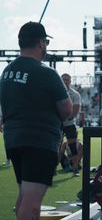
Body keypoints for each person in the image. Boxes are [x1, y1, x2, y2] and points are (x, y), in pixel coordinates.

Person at [0, 21, 72, 220]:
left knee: (24, 194)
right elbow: (66, 110)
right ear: (41, 43)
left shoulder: (7, 72)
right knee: (32, 202)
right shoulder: (46, 72)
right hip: (39, 140)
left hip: (14, 140)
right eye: (46, 41)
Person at [61, 73, 81, 176]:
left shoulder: (75, 94)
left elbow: (76, 108)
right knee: (56, 147)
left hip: (69, 124)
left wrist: (69, 117)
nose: (65, 81)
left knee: (73, 147)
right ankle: (53, 170)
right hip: (58, 123)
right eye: (63, 79)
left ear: (70, 81)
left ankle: (75, 169)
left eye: (67, 80)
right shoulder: (56, 92)